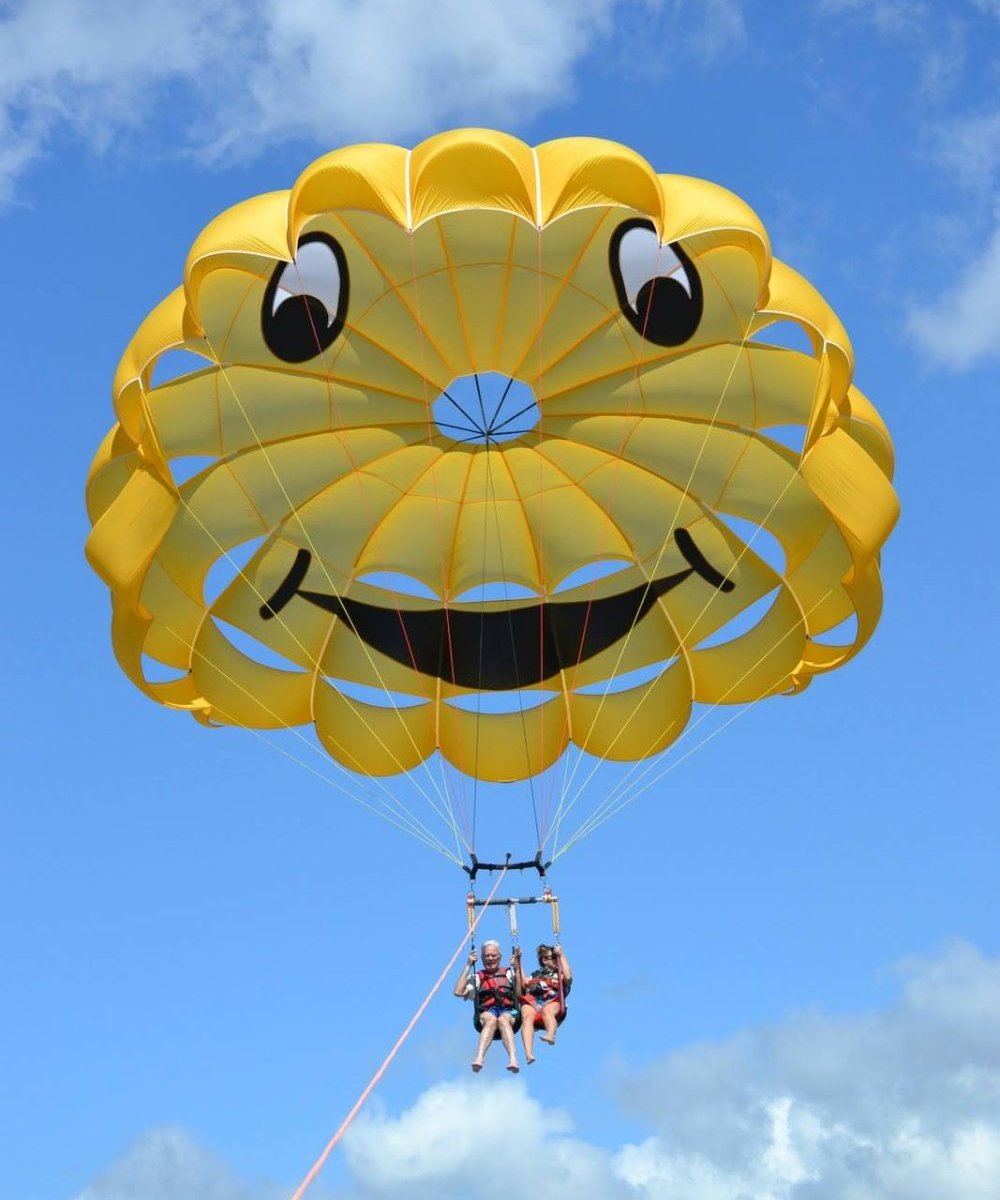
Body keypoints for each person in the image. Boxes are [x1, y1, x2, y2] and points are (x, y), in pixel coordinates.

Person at [454, 939, 521, 1073]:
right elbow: (458, 992)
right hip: (486, 1013)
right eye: (487, 956)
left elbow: (520, 993)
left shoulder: (509, 973)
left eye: (493, 955)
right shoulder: (478, 977)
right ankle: (479, 1058)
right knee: (491, 1019)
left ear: (500, 957)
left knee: (502, 1019)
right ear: (482, 958)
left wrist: (518, 967)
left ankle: (513, 1059)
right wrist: (468, 964)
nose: (490, 958)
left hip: (509, 1012)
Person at [517, 943, 572, 1064]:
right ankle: (529, 1053)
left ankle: (550, 1035)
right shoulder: (536, 974)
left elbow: (568, 977)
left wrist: (561, 955)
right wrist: (518, 961)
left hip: (554, 1001)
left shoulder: (560, 974)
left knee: (548, 1011)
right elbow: (523, 982)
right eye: (553, 957)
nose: (556, 959)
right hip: (536, 1003)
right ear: (545, 960)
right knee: (526, 1014)